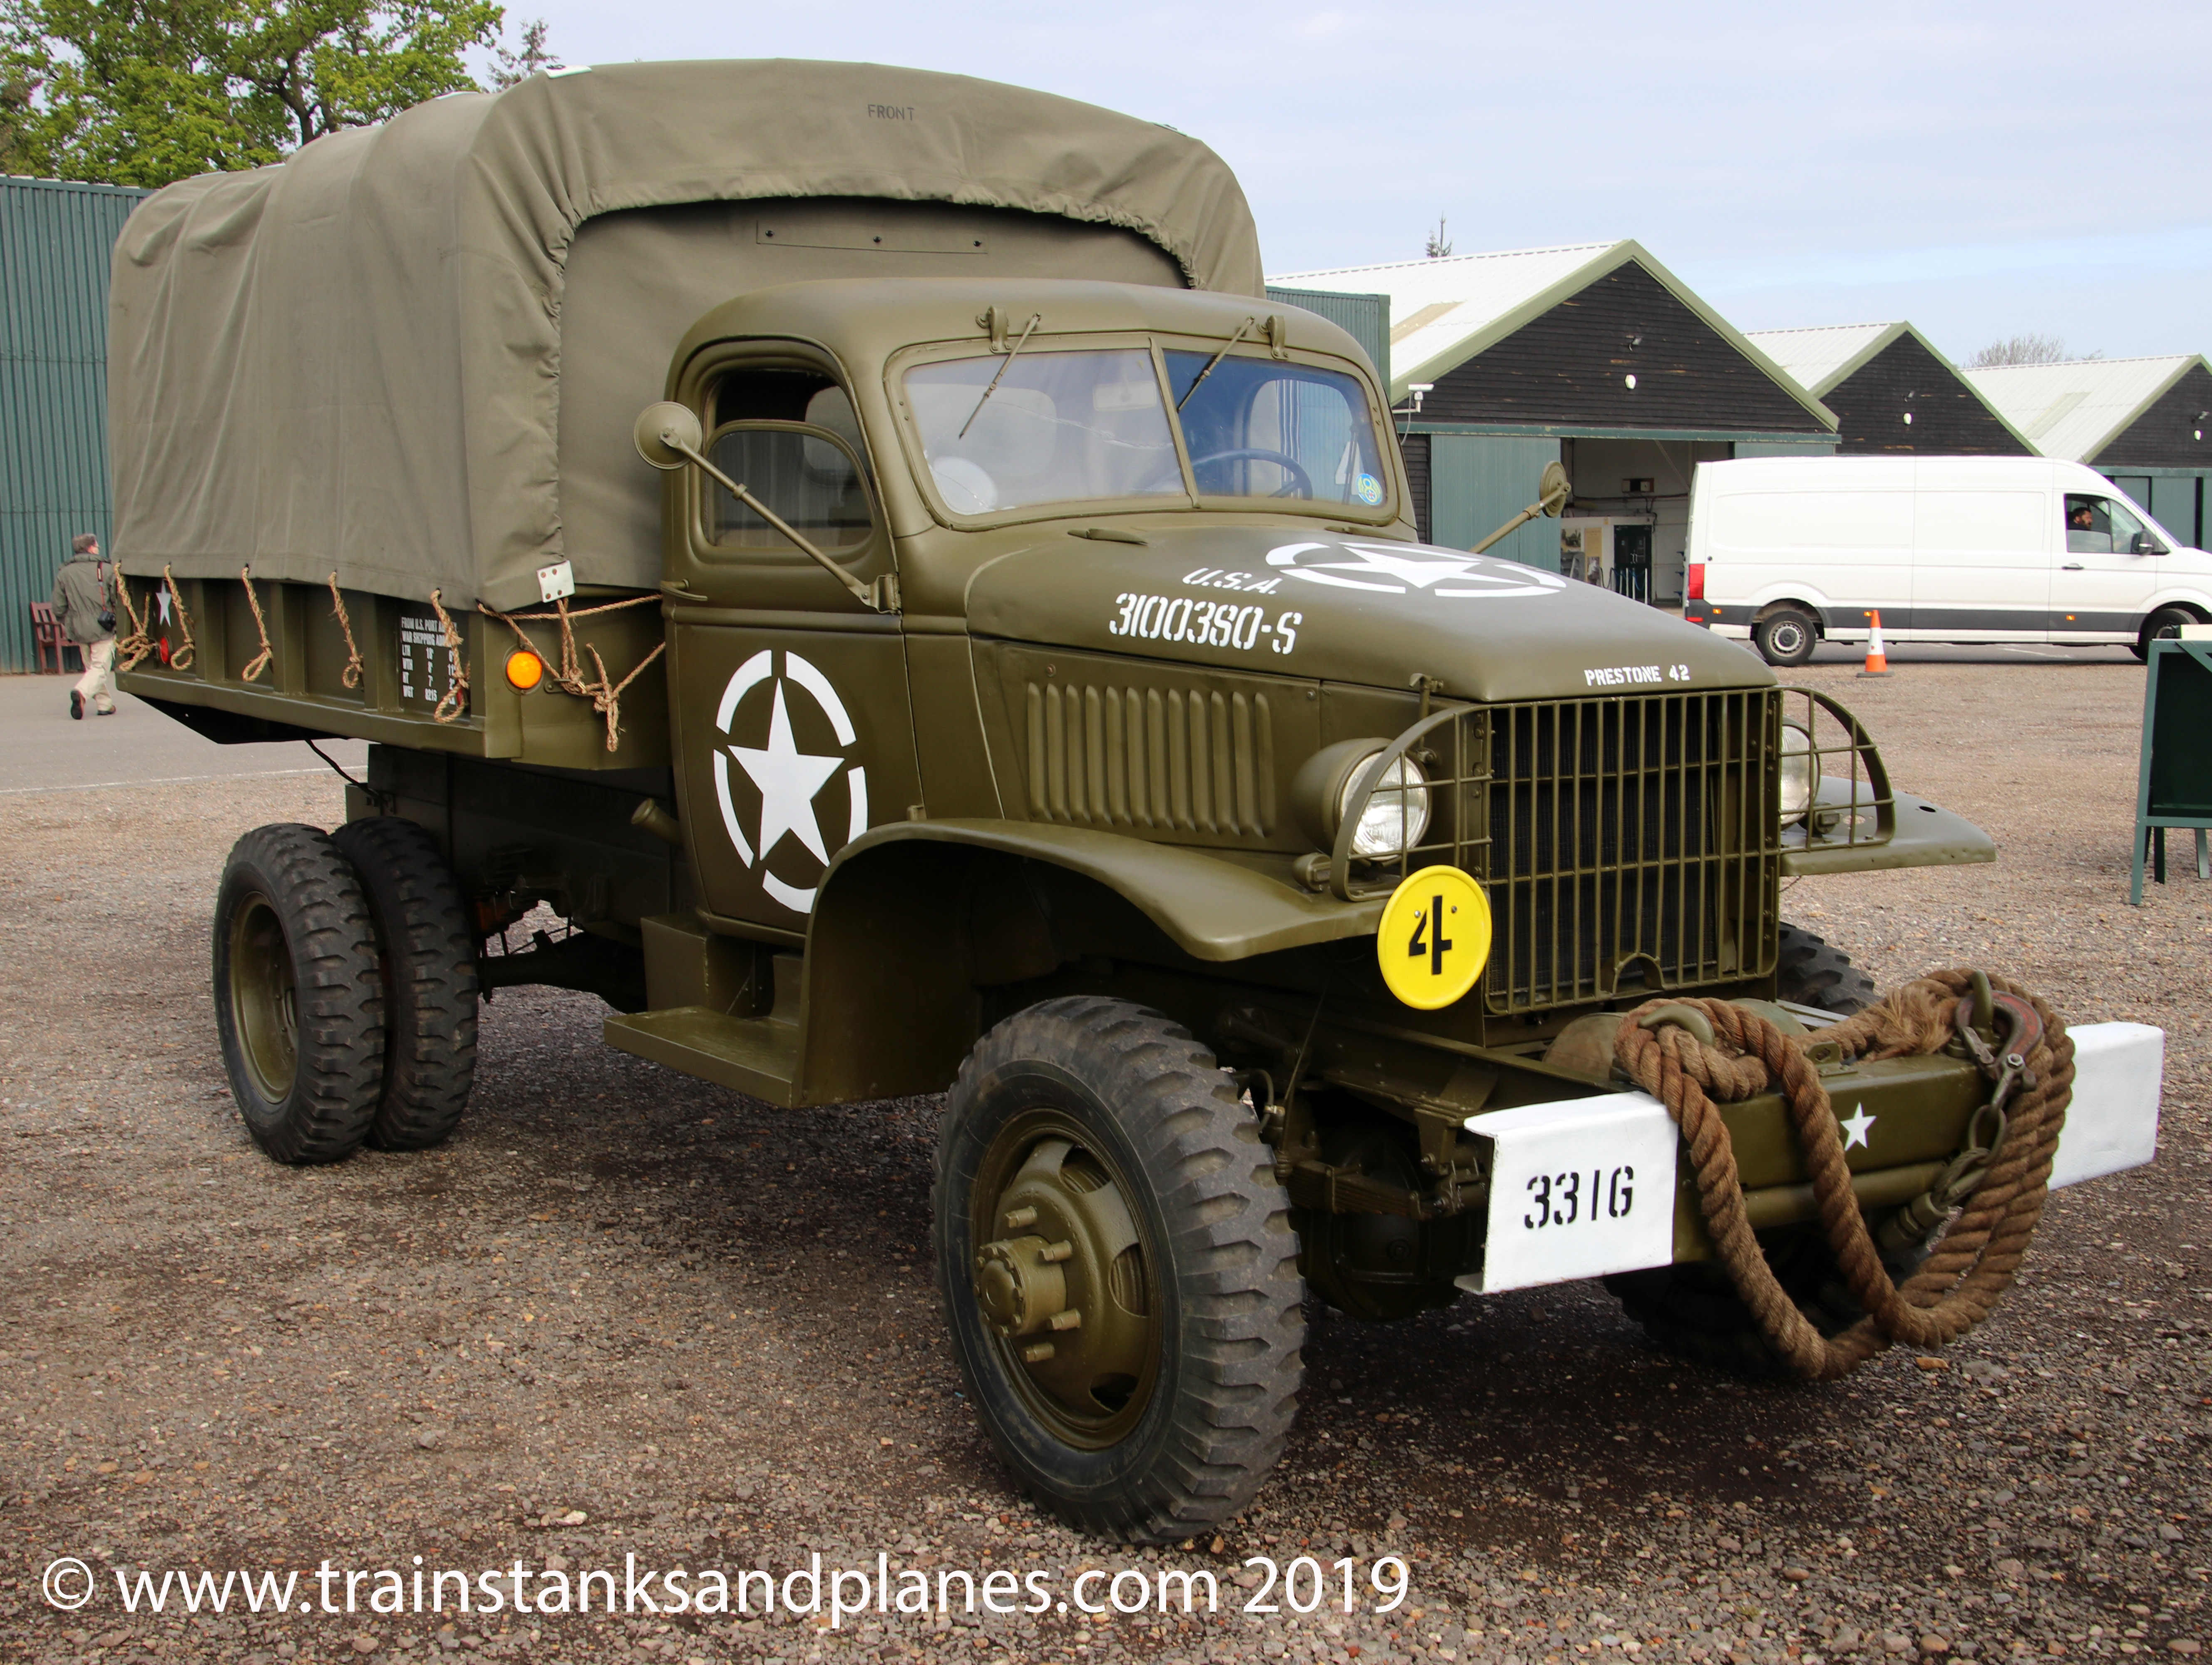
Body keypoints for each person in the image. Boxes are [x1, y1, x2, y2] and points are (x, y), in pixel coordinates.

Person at [50, 533, 117, 720]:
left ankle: (105, 705)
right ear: (91, 548)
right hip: (103, 626)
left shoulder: (64, 573)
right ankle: (81, 692)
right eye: (96, 545)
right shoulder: (106, 569)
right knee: (100, 669)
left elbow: (59, 607)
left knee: (92, 670)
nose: (98, 548)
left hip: (78, 629)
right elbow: (117, 599)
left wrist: (68, 623)